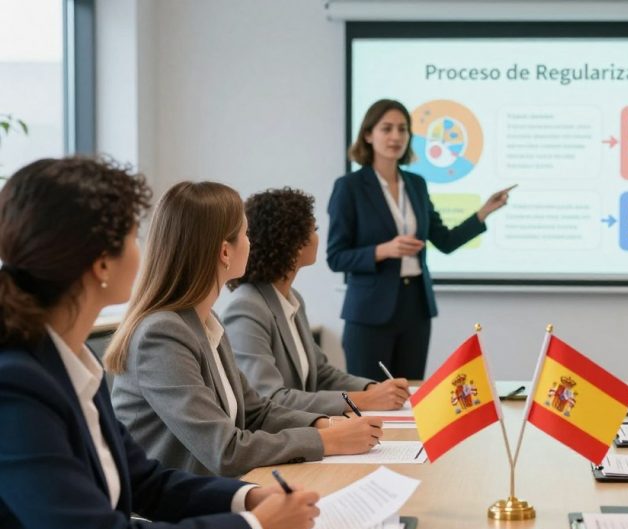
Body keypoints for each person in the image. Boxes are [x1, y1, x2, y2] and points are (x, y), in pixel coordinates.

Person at [0, 157, 320, 529]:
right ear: (102, 264)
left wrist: (249, 498)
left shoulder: (71, 362)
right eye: (134, 235)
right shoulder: (16, 387)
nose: (144, 250)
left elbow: (147, 483)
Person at [107, 181, 383, 477]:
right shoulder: (162, 335)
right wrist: (326, 440)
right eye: (246, 234)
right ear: (225, 252)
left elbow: (256, 412)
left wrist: (325, 424)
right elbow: (224, 451)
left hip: (214, 490)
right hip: (176, 501)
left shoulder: (204, 321)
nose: (251, 243)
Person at [327, 98, 512, 379]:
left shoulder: (416, 184)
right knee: (372, 394)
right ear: (368, 135)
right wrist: (384, 250)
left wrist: (483, 212)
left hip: (415, 308)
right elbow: (336, 257)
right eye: (387, 128)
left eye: (402, 129)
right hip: (369, 312)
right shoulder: (349, 187)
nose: (396, 136)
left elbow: (445, 241)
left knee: (411, 394)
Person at [223, 187, 410, 413]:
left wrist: (372, 389)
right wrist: (365, 399)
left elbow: (321, 373)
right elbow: (269, 399)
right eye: (315, 229)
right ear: (293, 242)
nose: (317, 238)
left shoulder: (292, 299)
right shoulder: (246, 308)